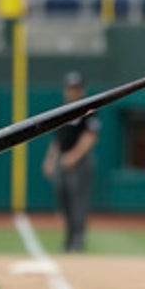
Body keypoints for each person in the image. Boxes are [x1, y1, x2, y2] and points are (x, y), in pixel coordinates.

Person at [42, 71, 100, 252]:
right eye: (70, 88)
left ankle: (78, 240)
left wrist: (74, 156)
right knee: (65, 201)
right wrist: (51, 160)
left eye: (76, 88)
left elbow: (90, 136)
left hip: (81, 162)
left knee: (78, 202)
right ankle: (69, 239)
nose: (72, 91)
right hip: (64, 161)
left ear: (81, 89)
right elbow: (58, 140)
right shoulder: (63, 110)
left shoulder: (89, 108)